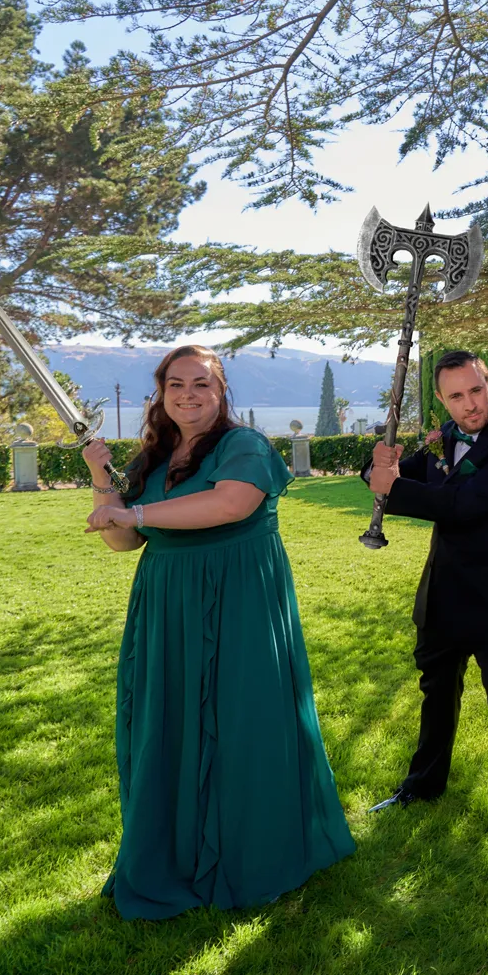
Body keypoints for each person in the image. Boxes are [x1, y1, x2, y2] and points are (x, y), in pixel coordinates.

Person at [81, 345, 354, 920]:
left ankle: (255, 853)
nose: (188, 394)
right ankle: (174, 853)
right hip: (168, 603)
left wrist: (136, 515)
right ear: (161, 391)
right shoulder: (153, 456)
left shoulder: (244, 445)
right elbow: (122, 542)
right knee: (173, 719)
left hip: (241, 600)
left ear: (221, 389)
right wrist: (103, 485)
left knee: (242, 718)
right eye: (176, 384)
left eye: (201, 383)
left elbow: (230, 504)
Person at [364, 350, 488, 885]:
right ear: (442, 400)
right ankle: (423, 785)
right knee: (437, 692)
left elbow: (461, 506)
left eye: (476, 391)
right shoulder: (444, 439)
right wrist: (377, 467)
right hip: (443, 593)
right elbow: (390, 478)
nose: (470, 404)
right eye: (456, 396)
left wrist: (393, 488)